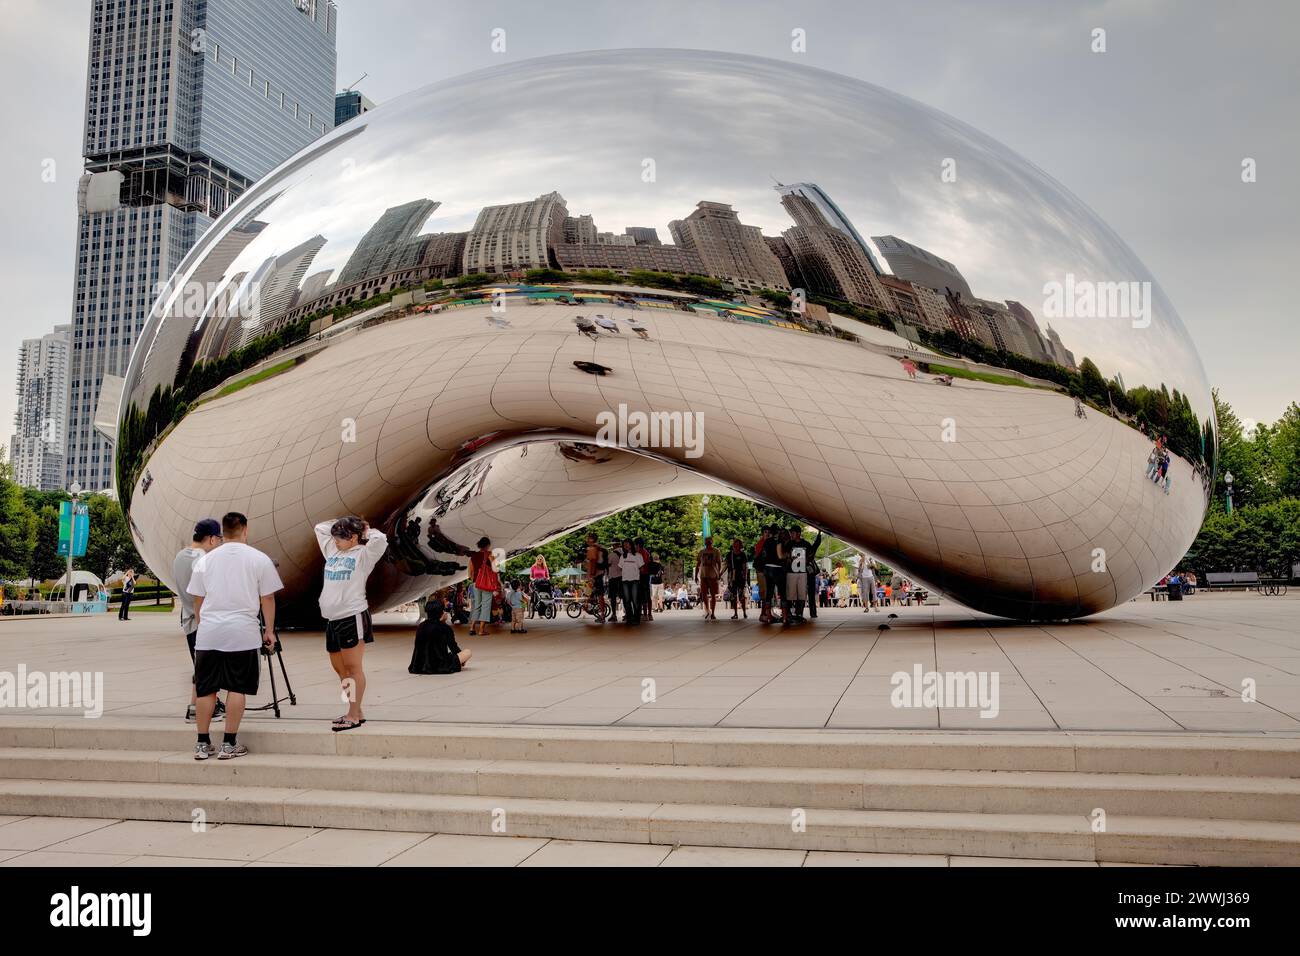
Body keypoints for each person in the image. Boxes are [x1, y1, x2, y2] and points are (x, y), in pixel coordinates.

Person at [186, 512, 282, 760]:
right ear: (245, 530)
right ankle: (229, 743)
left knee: (206, 689)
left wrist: (203, 623)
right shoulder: (258, 559)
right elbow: (267, 598)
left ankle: (202, 743)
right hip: (243, 632)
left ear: (223, 533)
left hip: (209, 633)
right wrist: (269, 630)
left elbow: (198, 598)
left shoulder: (206, 561)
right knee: (237, 687)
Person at [315, 515, 388, 732]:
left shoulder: (364, 555)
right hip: (332, 618)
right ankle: (355, 709)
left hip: (352, 615)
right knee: (339, 668)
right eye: (335, 537)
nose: (335, 540)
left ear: (354, 538)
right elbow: (320, 526)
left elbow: (381, 539)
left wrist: (364, 528)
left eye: (341, 537)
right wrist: (346, 521)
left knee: (353, 667)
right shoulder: (332, 551)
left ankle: (353, 714)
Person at [174, 518, 226, 723]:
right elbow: (207, 593)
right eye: (219, 540)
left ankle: (198, 707)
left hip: (187, 620)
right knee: (207, 669)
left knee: (200, 667)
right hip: (203, 620)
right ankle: (202, 709)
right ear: (211, 539)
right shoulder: (203, 560)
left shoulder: (179, 556)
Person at [409, 599, 472, 674]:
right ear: (441, 612)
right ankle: (459, 663)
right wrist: (460, 660)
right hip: (440, 665)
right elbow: (453, 648)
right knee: (468, 652)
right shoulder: (445, 628)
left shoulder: (421, 626)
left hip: (420, 665)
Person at [468, 537, 501, 636]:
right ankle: (481, 630)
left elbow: (470, 572)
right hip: (486, 584)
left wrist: (474, 579)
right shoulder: (490, 554)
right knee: (486, 606)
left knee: (476, 605)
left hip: (475, 583)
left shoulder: (473, 556)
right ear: (488, 545)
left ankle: (472, 628)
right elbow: (496, 569)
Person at [783, 526, 815, 625]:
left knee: (801, 594)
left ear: (798, 533)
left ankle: (799, 614)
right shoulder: (789, 544)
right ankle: (790, 614)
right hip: (791, 572)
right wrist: (789, 557)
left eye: (793, 533)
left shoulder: (806, 544)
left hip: (802, 572)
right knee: (791, 594)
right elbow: (784, 554)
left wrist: (805, 561)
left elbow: (811, 556)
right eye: (791, 533)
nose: (791, 535)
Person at [695, 536, 722, 620]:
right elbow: (698, 564)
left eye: (709, 541)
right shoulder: (702, 552)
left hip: (713, 575)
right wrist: (696, 575)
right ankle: (707, 610)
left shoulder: (716, 551)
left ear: (712, 542)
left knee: (713, 595)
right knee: (704, 594)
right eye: (706, 541)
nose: (708, 542)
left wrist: (719, 573)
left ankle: (713, 612)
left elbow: (719, 563)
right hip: (703, 575)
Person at [619, 539, 645, 624]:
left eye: (627, 544)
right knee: (626, 600)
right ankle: (629, 618)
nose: (626, 546)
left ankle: (636, 619)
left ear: (631, 545)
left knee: (635, 600)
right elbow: (620, 567)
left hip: (635, 581)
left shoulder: (638, 555)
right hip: (625, 580)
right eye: (624, 544)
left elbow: (642, 568)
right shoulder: (623, 556)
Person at [585, 533, 609, 621]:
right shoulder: (601, 548)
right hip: (601, 574)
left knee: (595, 595)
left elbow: (593, 561)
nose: (586, 540)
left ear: (591, 539)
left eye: (588, 538)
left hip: (595, 575)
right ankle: (601, 614)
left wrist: (591, 575)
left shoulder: (592, 548)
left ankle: (601, 615)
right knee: (599, 595)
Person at [725, 538, 749, 620]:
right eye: (735, 544)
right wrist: (720, 573)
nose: (737, 546)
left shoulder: (743, 554)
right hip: (732, 577)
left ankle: (744, 612)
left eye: (738, 545)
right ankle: (735, 613)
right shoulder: (729, 555)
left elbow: (745, 566)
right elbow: (726, 565)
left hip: (740, 576)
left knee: (742, 595)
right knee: (733, 596)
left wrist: (745, 576)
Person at [635, 538, 654, 622]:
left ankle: (645, 614)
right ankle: (649, 614)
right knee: (647, 595)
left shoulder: (640, 553)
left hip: (642, 576)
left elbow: (641, 566)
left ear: (638, 545)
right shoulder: (646, 552)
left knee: (642, 595)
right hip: (646, 575)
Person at [607, 540, 624, 622]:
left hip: (613, 577)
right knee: (624, 596)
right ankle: (627, 614)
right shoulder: (625, 553)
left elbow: (607, 564)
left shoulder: (612, 554)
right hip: (622, 577)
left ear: (614, 545)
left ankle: (614, 615)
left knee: (613, 597)